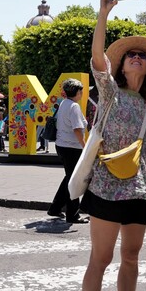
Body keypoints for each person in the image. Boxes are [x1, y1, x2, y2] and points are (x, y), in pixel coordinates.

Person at [81, 0, 146, 291]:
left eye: (141, 56)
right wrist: (103, 15)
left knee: (131, 257)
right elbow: (97, 56)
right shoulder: (110, 93)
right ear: (120, 65)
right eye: (131, 55)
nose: (135, 57)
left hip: (140, 191)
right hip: (106, 187)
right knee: (100, 259)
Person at [47, 78, 89, 224]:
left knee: (69, 178)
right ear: (77, 92)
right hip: (72, 148)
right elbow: (77, 129)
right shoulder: (74, 106)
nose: (82, 93)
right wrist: (85, 147)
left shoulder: (64, 103)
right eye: (81, 90)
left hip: (62, 146)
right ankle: (73, 215)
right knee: (74, 181)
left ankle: (55, 208)